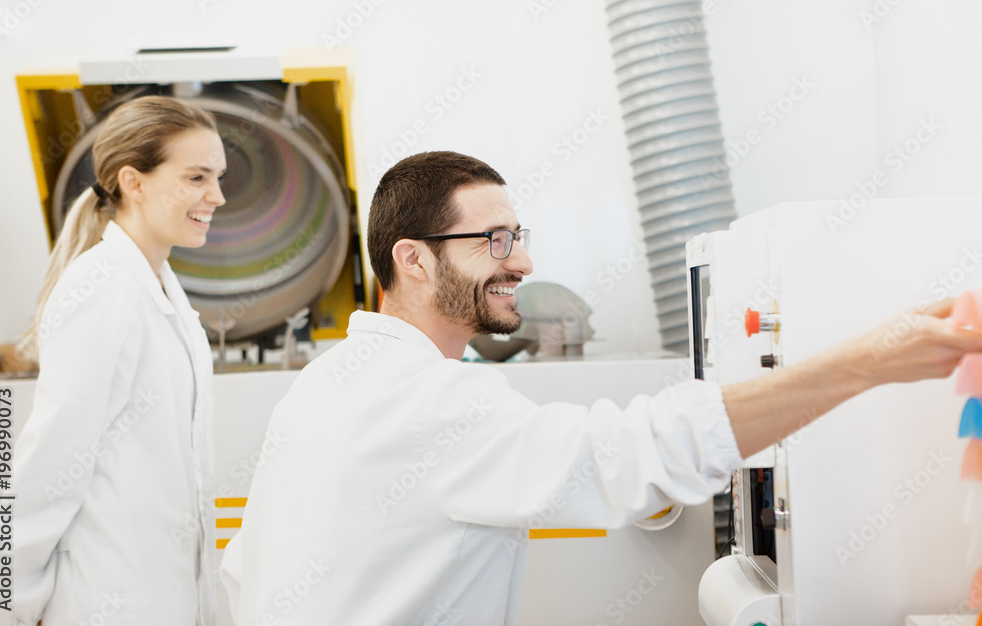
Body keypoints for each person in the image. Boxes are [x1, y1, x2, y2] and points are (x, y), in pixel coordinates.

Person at [220, 151, 982, 625]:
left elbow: (241, 570)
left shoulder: (326, 386)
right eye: (494, 240)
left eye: (519, 236)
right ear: (413, 260)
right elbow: (629, 454)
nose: (519, 263)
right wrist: (869, 360)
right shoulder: (427, 402)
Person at [12, 95, 227, 626]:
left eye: (219, 177)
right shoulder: (100, 290)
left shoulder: (159, 289)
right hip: (107, 600)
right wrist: (11, 606)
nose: (217, 196)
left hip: (168, 598)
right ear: (134, 182)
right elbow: (50, 466)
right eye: (197, 178)